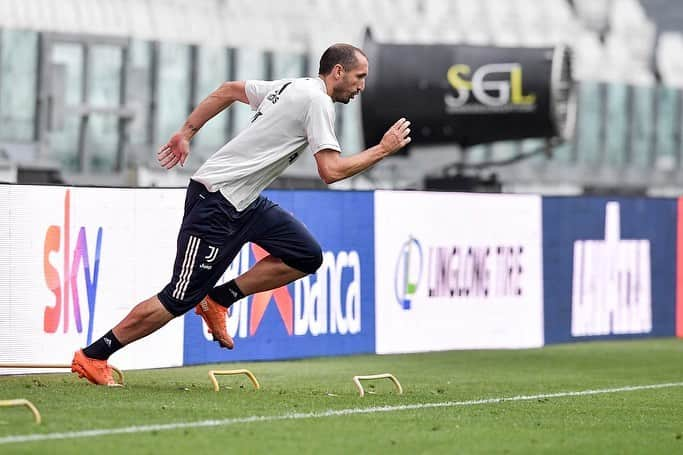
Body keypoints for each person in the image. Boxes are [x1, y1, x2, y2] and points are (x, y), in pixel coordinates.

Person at [71, 43, 411, 386]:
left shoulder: (292, 87)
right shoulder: (317, 101)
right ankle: (94, 355)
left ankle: (219, 298)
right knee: (177, 297)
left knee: (306, 255)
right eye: (359, 77)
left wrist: (187, 132)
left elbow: (228, 90)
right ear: (338, 71)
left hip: (244, 202)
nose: (362, 86)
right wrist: (382, 149)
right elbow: (331, 171)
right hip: (216, 201)